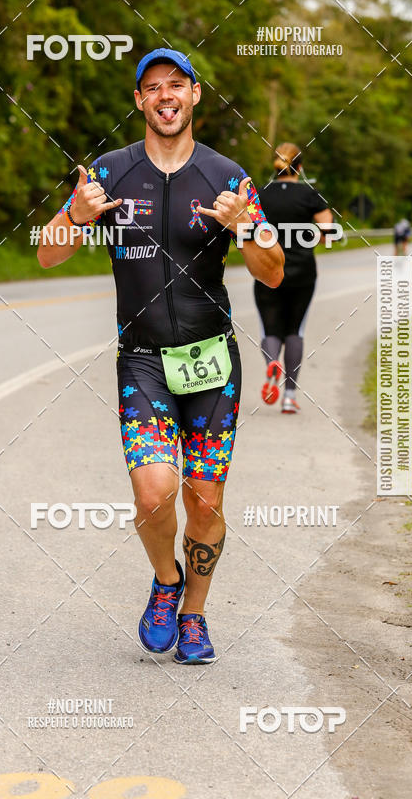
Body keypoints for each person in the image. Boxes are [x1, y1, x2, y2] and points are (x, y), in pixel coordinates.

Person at [38, 48, 283, 663]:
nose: (166, 95)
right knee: (153, 494)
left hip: (211, 364)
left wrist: (246, 229)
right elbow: (47, 253)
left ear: (195, 95)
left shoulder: (229, 178)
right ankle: (166, 584)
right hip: (142, 359)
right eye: (153, 87)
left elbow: (274, 274)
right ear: (140, 101)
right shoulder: (110, 172)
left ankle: (195, 616)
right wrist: (75, 212)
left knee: (205, 502)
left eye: (178, 85)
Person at [255, 143, 333, 413]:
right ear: (300, 167)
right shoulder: (310, 195)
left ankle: (271, 364)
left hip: (267, 271)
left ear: (275, 167)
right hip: (302, 272)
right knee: (295, 330)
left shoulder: (261, 195)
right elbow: (328, 231)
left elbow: (246, 229)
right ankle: (289, 396)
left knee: (271, 329)